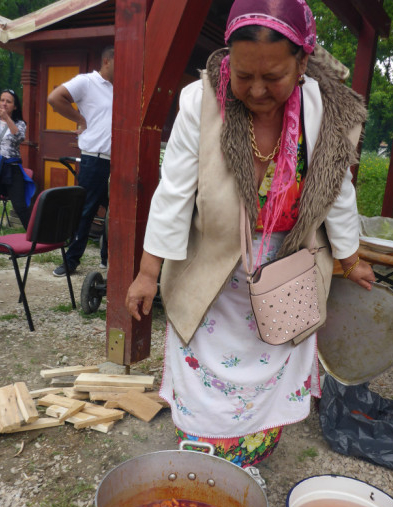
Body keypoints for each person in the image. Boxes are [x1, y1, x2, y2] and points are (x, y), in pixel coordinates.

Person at [125, 0, 375, 467]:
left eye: (273, 77)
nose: (257, 90)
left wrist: (351, 258)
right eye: (243, 75)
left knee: (272, 368)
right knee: (204, 373)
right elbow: (173, 192)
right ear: (228, 60)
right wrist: (147, 272)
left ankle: (249, 459)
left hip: (287, 271)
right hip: (214, 266)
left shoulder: (326, 110)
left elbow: (338, 190)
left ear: (302, 63)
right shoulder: (200, 101)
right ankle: (205, 457)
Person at [48, 46, 114, 276]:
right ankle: (71, 261)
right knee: (86, 211)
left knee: (115, 212)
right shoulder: (87, 82)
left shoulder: (121, 88)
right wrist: (80, 119)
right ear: (107, 61)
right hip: (95, 160)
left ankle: (108, 258)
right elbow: (54, 98)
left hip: (117, 162)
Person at [0, 89, 35, 229]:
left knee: (20, 206)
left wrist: (7, 118)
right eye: (2, 100)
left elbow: (19, 137)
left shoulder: (20, 123)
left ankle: (35, 235)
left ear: (14, 107)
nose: (4, 103)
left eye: (8, 101)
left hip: (12, 168)